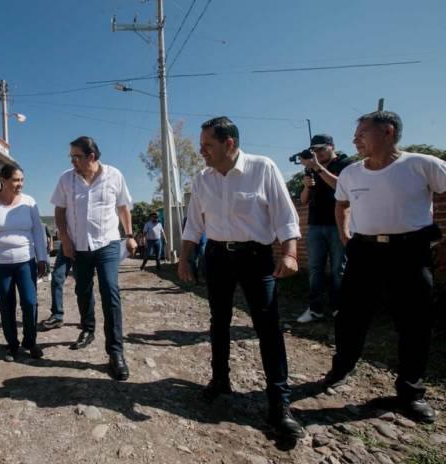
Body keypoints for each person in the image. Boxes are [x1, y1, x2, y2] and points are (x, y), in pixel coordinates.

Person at [178, 117, 305, 440]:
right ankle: (220, 381)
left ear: (229, 143)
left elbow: (285, 216)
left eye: (207, 144)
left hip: (255, 258)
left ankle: (279, 404)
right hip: (217, 256)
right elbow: (193, 224)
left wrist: (289, 254)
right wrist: (184, 258)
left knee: (268, 327)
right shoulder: (202, 179)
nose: (202, 151)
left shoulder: (262, 168)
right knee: (218, 321)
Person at [324, 111, 446, 423]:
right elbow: (341, 204)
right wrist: (345, 236)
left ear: (388, 132)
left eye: (362, 132)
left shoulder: (423, 164)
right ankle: (341, 368)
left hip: (410, 252)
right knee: (351, 316)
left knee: (415, 323)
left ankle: (409, 392)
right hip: (364, 252)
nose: (355, 139)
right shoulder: (351, 173)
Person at [51, 136, 137, 381]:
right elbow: (59, 211)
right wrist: (65, 240)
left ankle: (116, 353)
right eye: (71, 157)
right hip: (78, 246)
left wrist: (129, 235)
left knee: (110, 291)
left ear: (92, 156)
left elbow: (123, 207)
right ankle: (88, 330)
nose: (72, 161)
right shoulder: (66, 179)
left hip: (108, 242)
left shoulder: (114, 175)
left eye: (76, 156)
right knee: (82, 290)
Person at [0, 164, 48, 362]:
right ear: (3, 180)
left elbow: (38, 232)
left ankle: (30, 341)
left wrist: (42, 258)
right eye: (16, 180)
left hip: (26, 261)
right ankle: (12, 344)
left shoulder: (29, 202)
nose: (20, 184)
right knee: (6, 305)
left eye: (22, 180)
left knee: (30, 302)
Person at [296, 134, 353, 323]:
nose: (318, 153)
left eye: (321, 149)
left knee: (339, 269)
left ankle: (339, 307)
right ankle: (315, 309)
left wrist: (317, 168)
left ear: (332, 146)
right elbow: (303, 201)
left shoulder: (345, 164)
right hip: (315, 225)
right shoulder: (310, 169)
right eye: (315, 150)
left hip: (338, 224)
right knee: (315, 269)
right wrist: (306, 187)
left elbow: (341, 188)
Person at [38, 233, 96, 331]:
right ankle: (57, 316)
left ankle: (87, 319)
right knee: (56, 278)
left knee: (84, 284)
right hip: (65, 244)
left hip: (83, 245)